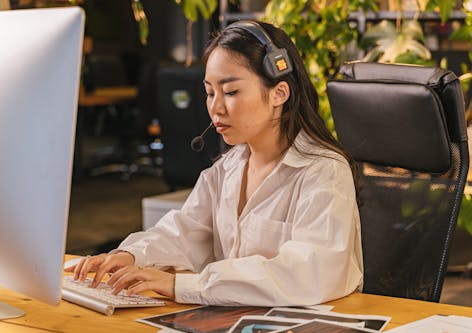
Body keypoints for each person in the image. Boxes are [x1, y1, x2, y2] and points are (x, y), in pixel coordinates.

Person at [66, 20, 363, 306]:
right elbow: (184, 232)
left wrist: (183, 285)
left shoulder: (324, 171)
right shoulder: (226, 169)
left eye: (231, 91)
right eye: (210, 92)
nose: (216, 107)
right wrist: (131, 255)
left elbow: (308, 273)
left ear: (279, 93)